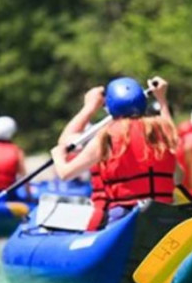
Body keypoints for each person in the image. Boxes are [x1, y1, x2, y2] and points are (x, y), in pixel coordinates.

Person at [51, 76, 177, 228]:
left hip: (124, 215)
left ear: (110, 107)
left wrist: (89, 107)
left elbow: (65, 172)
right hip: (164, 212)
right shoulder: (161, 130)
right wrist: (162, 99)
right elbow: (171, 131)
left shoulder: (106, 137)